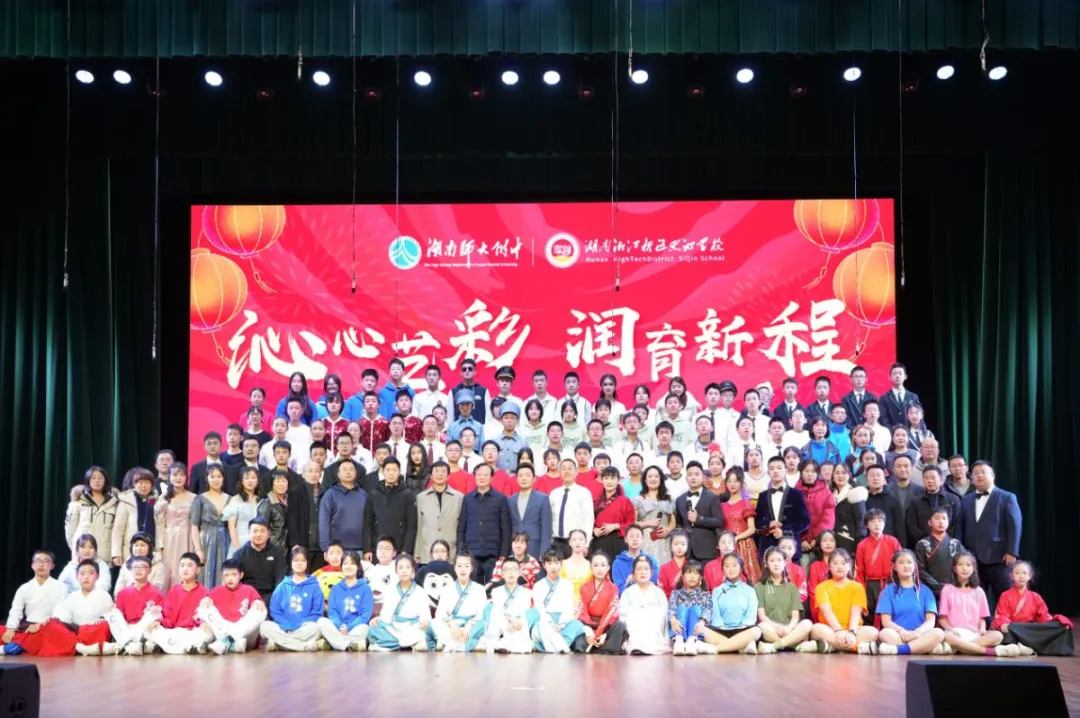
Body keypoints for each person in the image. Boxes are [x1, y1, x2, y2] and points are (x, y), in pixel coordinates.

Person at [960, 460, 1022, 612]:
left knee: (1005, 597)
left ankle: (1008, 625)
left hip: (999, 557)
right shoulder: (966, 499)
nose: (979, 476)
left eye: (983, 472)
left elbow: (1015, 525)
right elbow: (961, 527)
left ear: (993, 476)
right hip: (972, 558)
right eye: (976, 473)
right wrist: (962, 552)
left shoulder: (1007, 497)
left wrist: (1012, 551)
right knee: (976, 599)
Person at [938, 552, 1017, 657]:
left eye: (968, 565)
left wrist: (982, 629)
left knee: (998, 635)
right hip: (954, 633)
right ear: (954, 568)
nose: (964, 568)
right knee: (946, 636)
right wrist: (950, 630)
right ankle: (987, 651)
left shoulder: (978, 591)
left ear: (973, 568)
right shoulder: (947, 589)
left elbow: (981, 619)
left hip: (973, 634)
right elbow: (942, 619)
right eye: (960, 565)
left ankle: (961, 648)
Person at [801, 549, 878, 654]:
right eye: (835, 563)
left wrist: (851, 632)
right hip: (830, 629)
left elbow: (855, 614)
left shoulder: (857, 587)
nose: (840, 566)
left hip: (853, 630)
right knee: (816, 629)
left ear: (850, 565)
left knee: (873, 632)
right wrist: (838, 631)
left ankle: (831, 647)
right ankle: (858, 647)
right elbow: (827, 612)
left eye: (843, 563)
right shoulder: (822, 587)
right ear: (829, 566)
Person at [992, 561, 1073, 656]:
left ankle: (1023, 646)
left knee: (1060, 627)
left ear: (1029, 576)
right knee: (1011, 628)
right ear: (1011, 576)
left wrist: (1058, 622)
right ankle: (1025, 646)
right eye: (1017, 573)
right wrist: (1003, 623)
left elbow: (1044, 618)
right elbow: (1002, 614)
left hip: (1029, 630)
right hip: (1013, 629)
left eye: (1024, 573)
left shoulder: (1036, 597)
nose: (1021, 576)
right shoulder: (1005, 595)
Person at [875, 549, 945, 655]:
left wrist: (918, 632)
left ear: (915, 566)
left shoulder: (925, 591)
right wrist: (901, 631)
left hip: (920, 635)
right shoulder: (888, 591)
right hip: (899, 635)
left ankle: (900, 650)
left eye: (909, 562)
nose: (906, 566)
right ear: (894, 567)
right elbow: (886, 621)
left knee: (939, 633)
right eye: (901, 562)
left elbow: (931, 620)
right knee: (884, 633)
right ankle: (921, 648)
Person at [2, 550, 71, 656]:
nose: (41, 564)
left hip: (49, 627)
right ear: (33, 565)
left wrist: (40, 625)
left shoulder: (61, 587)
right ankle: (18, 645)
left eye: (46, 561)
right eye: (38, 561)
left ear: (52, 566)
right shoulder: (24, 588)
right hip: (28, 626)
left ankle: (10, 648)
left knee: (46, 636)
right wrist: (11, 629)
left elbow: (61, 614)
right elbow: (15, 611)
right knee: (3, 630)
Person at [144, 553, 212, 655]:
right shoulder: (173, 591)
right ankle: (189, 648)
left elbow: (205, 615)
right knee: (149, 631)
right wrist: (159, 622)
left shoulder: (204, 592)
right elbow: (167, 616)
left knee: (208, 634)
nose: (185, 569)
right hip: (174, 632)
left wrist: (202, 622)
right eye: (182, 565)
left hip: (192, 632)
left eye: (189, 565)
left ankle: (167, 647)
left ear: (197, 569)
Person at [196, 558, 267, 654]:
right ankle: (234, 645)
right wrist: (203, 622)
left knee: (261, 610)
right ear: (222, 576)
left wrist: (258, 601)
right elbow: (201, 612)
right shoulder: (216, 590)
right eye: (226, 575)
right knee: (205, 605)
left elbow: (259, 611)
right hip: (224, 632)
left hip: (245, 637)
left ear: (241, 575)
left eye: (234, 574)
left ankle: (226, 642)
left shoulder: (249, 589)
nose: (230, 578)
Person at [258, 547, 323, 652]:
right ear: (291, 563)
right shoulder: (282, 586)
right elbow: (275, 611)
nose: (299, 563)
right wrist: (287, 627)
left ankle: (280, 644)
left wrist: (297, 627)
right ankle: (302, 646)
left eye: (303, 560)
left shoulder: (314, 586)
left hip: (304, 628)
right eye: (296, 560)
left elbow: (317, 612)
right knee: (265, 626)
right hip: (283, 628)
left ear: (307, 563)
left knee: (317, 628)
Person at [457, 463, 512, 583]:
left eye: (485, 475)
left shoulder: (500, 499)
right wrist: (461, 551)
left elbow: (506, 529)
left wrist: (504, 553)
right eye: (479, 475)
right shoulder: (468, 498)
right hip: (471, 552)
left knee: (491, 587)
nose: (482, 477)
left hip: (493, 553)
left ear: (492, 478)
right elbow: (461, 528)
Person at [49, 559, 117, 656]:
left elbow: (111, 617)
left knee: (104, 626)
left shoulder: (104, 595)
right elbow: (65, 621)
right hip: (77, 632)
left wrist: (103, 619)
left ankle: (76, 646)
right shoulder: (71, 597)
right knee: (53, 624)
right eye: (82, 573)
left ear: (97, 576)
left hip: (94, 631)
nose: (86, 577)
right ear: (77, 577)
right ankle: (82, 647)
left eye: (91, 573)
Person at [755, 546, 814, 653]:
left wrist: (788, 628)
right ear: (766, 564)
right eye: (772, 561)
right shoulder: (759, 586)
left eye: (779, 560)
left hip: (789, 629)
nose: (776, 564)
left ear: (785, 562)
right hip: (771, 628)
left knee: (807, 624)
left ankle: (775, 646)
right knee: (762, 627)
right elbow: (762, 616)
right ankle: (795, 645)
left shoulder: (792, 587)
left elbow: (795, 617)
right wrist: (776, 627)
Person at [367, 554, 431, 651]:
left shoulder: (420, 591)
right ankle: (409, 643)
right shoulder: (390, 590)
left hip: (413, 626)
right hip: (395, 626)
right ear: (396, 571)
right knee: (373, 628)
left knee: (428, 627)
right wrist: (379, 619)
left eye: (408, 567)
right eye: (401, 567)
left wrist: (424, 619)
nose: (404, 571)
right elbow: (386, 613)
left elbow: (425, 612)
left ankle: (387, 645)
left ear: (413, 570)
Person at [701, 554, 760, 654]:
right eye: (727, 566)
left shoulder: (750, 590)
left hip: (743, 630)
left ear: (741, 568)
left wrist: (744, 626)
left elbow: (751, 613)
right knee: (701, 630)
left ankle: (716, 648)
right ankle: (740, 646)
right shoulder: (717, 591)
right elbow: (715, 614)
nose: (731, 569)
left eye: (734, 565)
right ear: (722, 569)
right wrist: (721, 627)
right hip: (721, 631)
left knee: (756, 631)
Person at [107, 554, 165, 655]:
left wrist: (157, 621)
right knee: (113, 613)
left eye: (143, 567)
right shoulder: (122, 593)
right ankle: (135, 644)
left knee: (153, 614)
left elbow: (161, 615)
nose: (139, 570)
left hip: (145, 629)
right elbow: (119, 618)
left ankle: (127, 645)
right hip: (127, 628)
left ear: (150, 570)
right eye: (135, 567)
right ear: (130, 570)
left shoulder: (157, 594)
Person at [316, 550, 373, 652]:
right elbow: (332, 612)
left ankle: (335, 644)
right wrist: (340, 626)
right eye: (345, 563)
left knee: (364, 628)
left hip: (355, 628)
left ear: (358, 566)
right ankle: (350, 645)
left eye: (352, 563)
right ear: (341, 566)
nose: (348, 566)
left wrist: (349, 627)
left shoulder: (365, 588)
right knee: (321, 622)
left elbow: (365, 614)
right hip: (338, 628)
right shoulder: (336, 588)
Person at [755, 456, 811, 560]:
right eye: (772, 468)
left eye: (779, 468)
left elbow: (805, 521)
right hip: (767, 547)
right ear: (768, 472)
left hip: (790, 547)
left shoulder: (796, 494)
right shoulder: (762, 496)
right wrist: (769, 524)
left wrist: (784, 531)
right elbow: (757, 521)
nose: (775, 471)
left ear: (785, 470)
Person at [572, 552, 626, 654]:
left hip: (606, 625)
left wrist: (603, 633)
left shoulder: (613, 588)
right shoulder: (584, 587)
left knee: (619, 626)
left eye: (603, 565)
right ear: (591, 567)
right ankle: (597, 646)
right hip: (589, 624)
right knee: (576, 624)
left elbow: (612, 612)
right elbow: (582, 611)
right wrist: (588, 632)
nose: (599, 569)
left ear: (608, 568)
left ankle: (602, 645)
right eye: (596, 565)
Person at [480, 558, 534, 654]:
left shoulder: (527, 593)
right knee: (494, 612)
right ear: (502, 573)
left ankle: (504, 644)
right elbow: (498, 612)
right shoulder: (496, 591)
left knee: (529, 616)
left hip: (518, 624)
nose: (510, 572)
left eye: (514, 569)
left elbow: (523, 614)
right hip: (502, 624)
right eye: (507, 569)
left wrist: (515, 622)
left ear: (519, 572)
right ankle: (499, 642)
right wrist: (508, 622)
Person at [856, 509, 903, 619]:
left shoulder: (893, 542)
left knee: (891, 615)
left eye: (880, 521)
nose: (877, 524)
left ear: (884, 523)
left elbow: (900, 563)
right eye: (872, 521)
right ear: (866, 525)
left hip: (890, 583)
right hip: (870, 585)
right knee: (870, 616)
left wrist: (899, 584)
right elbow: (859, 571)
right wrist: (861, 591)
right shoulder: (862, 545)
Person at [674, 460, 724, 563]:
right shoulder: (679, 500)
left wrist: (699, 519)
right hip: (686, 550)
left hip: (706, 550)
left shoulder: (712, 497)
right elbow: (679, 523)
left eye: (697, 474)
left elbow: (719, 521)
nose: (693, 477)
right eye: (690, 475)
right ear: (686, 478)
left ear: (703, 478)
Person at [155, 464, 195, 591]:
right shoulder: (164, 498)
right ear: (169, 477)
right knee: (170, 571)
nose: (179, 478)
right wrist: (160, 547)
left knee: (188, 569)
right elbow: (160, 525)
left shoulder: (194, 497)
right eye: (175, 475)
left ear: (186, 477)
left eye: (182, 475)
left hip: (188, 538)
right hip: (170, 540)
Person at [67, 467, 119, 565]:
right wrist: (77, 548)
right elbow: (70, 530)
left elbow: (117, 531)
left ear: (105, 480)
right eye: (93, 478)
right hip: (82, 556)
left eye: (100, 478)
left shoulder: (114, 503)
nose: (97, 480)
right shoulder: (78, 501)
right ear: (88, 480)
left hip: (104, 555)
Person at [620, 556, 672, 655]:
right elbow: (622, 617)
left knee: (657, 613)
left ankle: (652, 646)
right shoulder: (627, 593)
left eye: (646, 569)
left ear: (651, 572)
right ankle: (636, 646)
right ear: (633, 573)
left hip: (654, 632)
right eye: (639, 569)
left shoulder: (659, 593)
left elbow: (665, 616)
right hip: (635, 631)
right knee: (632, 614)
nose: (642, 572)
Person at [189, 465, 230, 589]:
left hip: (224, 540)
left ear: (223, 478)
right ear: (207, 478)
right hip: (205, 541)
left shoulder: (230, 498)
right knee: (205, 574)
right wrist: (198, 549)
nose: (216, 480)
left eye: (219, 476)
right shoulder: (200, 499)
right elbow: (194, 525)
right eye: (212, 476)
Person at [913, 508, 966, 600]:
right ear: (930, 522)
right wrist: (938, 587)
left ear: (948, 522)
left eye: (944, 518)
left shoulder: (955, 543)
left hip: (953, 589)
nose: (941, 521)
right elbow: (919, 570)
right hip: (930, 591)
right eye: (937, 518)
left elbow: (965, 564)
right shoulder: (922, 544)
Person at [719, 468, 761, 583]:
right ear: (726, 483)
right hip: (727, 545)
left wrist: (736, 538)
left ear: (741, 483)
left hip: (744, 544)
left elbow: (752, 529)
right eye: (729, 481)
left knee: (748, 577)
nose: (732, 484)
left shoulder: (746, 504)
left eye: (736, 481)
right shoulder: (722, 506)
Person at [233, 518, 287, 606]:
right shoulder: (239, 554)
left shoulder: (278, 552)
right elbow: (236, 581)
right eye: (255, 531)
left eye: (262, 531)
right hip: (247, 596)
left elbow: (280, 577)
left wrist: (275, 597)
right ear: (249, 533)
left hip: (272, 596)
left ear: (268, 534)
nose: (258, 534)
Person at [319, 459, 369, 554]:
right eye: (345, 469)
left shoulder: (363, 495)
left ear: (356, 473)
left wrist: (368, 548)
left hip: (361, 549)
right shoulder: (330, 494)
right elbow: (324, 522)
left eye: (351, 469)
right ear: (338, 474)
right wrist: (325, 548)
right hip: (336, 549)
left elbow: (368, 523)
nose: (348, 472)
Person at [548, 459, 593, 559]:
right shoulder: (554, 493)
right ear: (559, 472)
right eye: (563, 468)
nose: (567, 471)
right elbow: (550, 518)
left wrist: (586, 544)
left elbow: (588, 519)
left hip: (575, 542)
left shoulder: (584, 493)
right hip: (556, 542)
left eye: (570, 468)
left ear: (576, 472)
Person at [905, 467, 961, 547]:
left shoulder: (953, 499)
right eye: (926, 478)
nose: (930, 481)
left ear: (941, 479)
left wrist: (942, 539)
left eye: (933, 477)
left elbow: (956, 524)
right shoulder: (915, 501)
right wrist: (926, 541)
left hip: (947, 545)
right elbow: (912, 525)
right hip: (923, 545)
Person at [508, 463, 552, 558]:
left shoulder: (543, 499)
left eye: (527, 475)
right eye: (520, 476)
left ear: (534, 479)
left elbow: (546, 528)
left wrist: (544, 552)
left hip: (534, 545)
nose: (524, 478)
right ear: (516, 479)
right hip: (515, 547)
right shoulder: (510, 500)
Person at [666, 560, 711, 655]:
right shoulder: (676, 593)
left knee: (695, 609)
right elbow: (671, 609)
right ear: (683, 577)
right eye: (689, 573)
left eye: (696, 573)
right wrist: (673, 619)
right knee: (682, 608)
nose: (692, 576)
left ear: (701, 577)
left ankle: (691, 641)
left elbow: (708, 610)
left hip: (697, 632)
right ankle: (679, 641)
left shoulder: (705, 594)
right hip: (677, 630)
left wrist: (702, 622)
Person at [592, 467, 635, 557]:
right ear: (602, 480)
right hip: (599, 541)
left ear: (618, 480)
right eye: (606, 478)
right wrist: (594, 530)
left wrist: (616, 526)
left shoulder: (625, 501)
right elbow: (589, 522)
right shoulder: (596, 502)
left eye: (612, 478)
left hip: (618, 542)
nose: (609, 481)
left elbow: (631, 524)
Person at [223, 467, 261, 559]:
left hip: (258, 543)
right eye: (246, 478)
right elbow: (231, 526)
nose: (250, 481)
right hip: (240, 542)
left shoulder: (261, 500)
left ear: (257, 481)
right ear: (242, 482)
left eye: (253, 478)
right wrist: (238, 549)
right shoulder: (235, 499)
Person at [830, 463, 867, 554]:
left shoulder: (856, 493)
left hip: (849, 540)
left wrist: (859, 542)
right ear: (833, 475)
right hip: (831, 540)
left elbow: (861, 521)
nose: (840, 476)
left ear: (849, 475)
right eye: (837, 473)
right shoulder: (828, 494)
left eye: (844, 473)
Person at [864, 465, 906, 546]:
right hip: (866, 545)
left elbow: (899, 527)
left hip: (888, 545)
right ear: (866, 478)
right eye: (872, 475)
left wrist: (902, 547)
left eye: (878, 475)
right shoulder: (862, 499)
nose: (875, 478)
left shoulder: (893, 500)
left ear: (884, 478)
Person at [113, 532, 165, 596]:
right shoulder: (126, 566)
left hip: (150, 600)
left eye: (143, 545)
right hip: (127, 599)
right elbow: (119, 589)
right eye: (136, 545)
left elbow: (158, 588)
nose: (138, 549)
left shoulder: (158, 566)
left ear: (150, 547)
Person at [806, 530, 838, 624]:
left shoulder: (841, 564)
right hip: (820, 606)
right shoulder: (815, 565)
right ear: (819, 544)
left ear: (836, 543)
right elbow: (813, 590)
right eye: (824, 540)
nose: (828, 543)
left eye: (831, 540)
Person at [880, 363, 919, 428]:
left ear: (905, 377)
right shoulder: (884, 398)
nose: (897, 376)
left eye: (900, 373)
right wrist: (894, 432)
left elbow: (917, 416)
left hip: (909, 432)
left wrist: (909, 431)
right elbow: (883, 419)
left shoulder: (913, 397)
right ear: (890, 377)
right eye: (894, 374)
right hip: (891, 433)